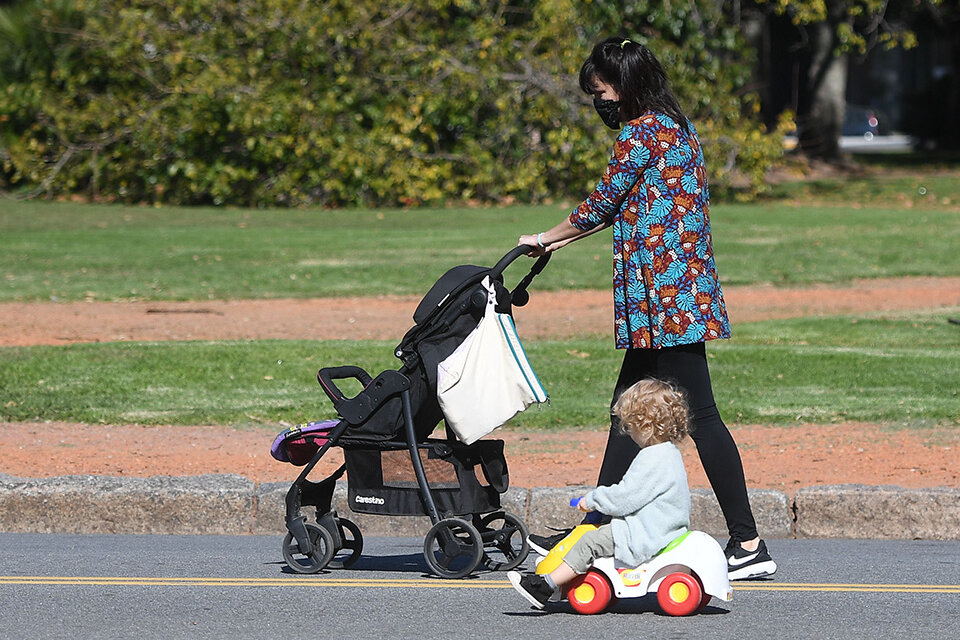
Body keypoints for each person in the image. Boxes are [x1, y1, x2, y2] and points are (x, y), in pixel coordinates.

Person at [518, 36, 776, 581]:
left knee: (701, 416)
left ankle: (748, 542)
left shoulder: (640, 135)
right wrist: (562, 242)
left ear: (626, 85)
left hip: (665, 299)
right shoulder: (677, 128)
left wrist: (545, 236)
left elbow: (604, 202)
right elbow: (633, 206)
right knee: (625, 409)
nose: (600, 101)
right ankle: (588, 530)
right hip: (678, 290)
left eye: (602, 90)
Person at [508, 378, 692, 609]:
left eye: (630, 427)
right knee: (599, 535)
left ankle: (545, 585)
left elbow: (625, 498)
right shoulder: (669, 453)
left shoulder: (651, 458)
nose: (629, 434)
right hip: (663, 527)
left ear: (646, 425)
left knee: (590, 541)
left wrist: (593, 500)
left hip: (646, 534)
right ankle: (565, 569)